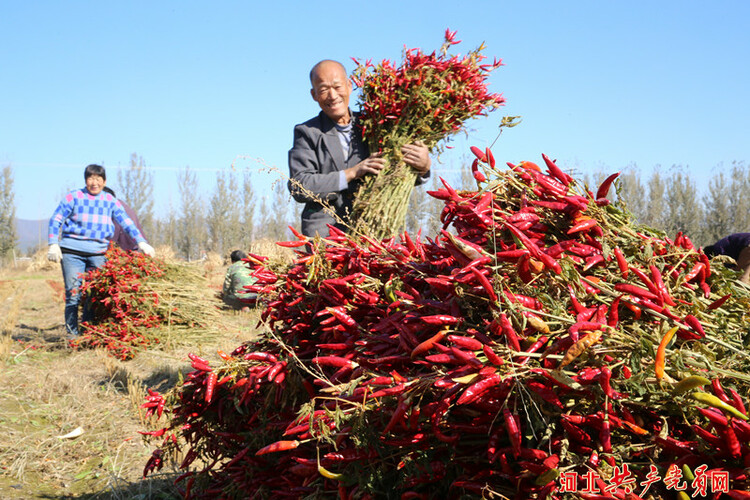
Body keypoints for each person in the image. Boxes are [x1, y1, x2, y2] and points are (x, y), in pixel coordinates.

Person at [288, 59, 432, 237]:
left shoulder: (375, 124)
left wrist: (423, 168)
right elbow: (299, 186)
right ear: (314, 95)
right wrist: (352, 173)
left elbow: (398, 173)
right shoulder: (308, 132)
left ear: (349, 86)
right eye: (324, 89)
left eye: (337, 86)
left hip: (376, 230)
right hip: (327, 235)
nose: (332, 96)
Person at [47, 164, 155, 338]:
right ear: (85, 180)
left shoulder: (110, 201)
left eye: (98, 179)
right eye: (90, 178)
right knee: (74, 294)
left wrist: (141, 242)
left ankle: (88, 330)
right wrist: (53, 243)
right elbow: (56, 218)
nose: (94, 182)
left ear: (104, 181)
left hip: (98, 254)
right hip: (72, 252)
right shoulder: (74, 197)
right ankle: (73, 336)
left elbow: (126, 222)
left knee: (93, 294)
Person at [102, 186, 145, 252]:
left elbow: (111, 239)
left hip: (130, 251)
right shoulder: (122, 205)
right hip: (138, 248)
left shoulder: (116, 210)